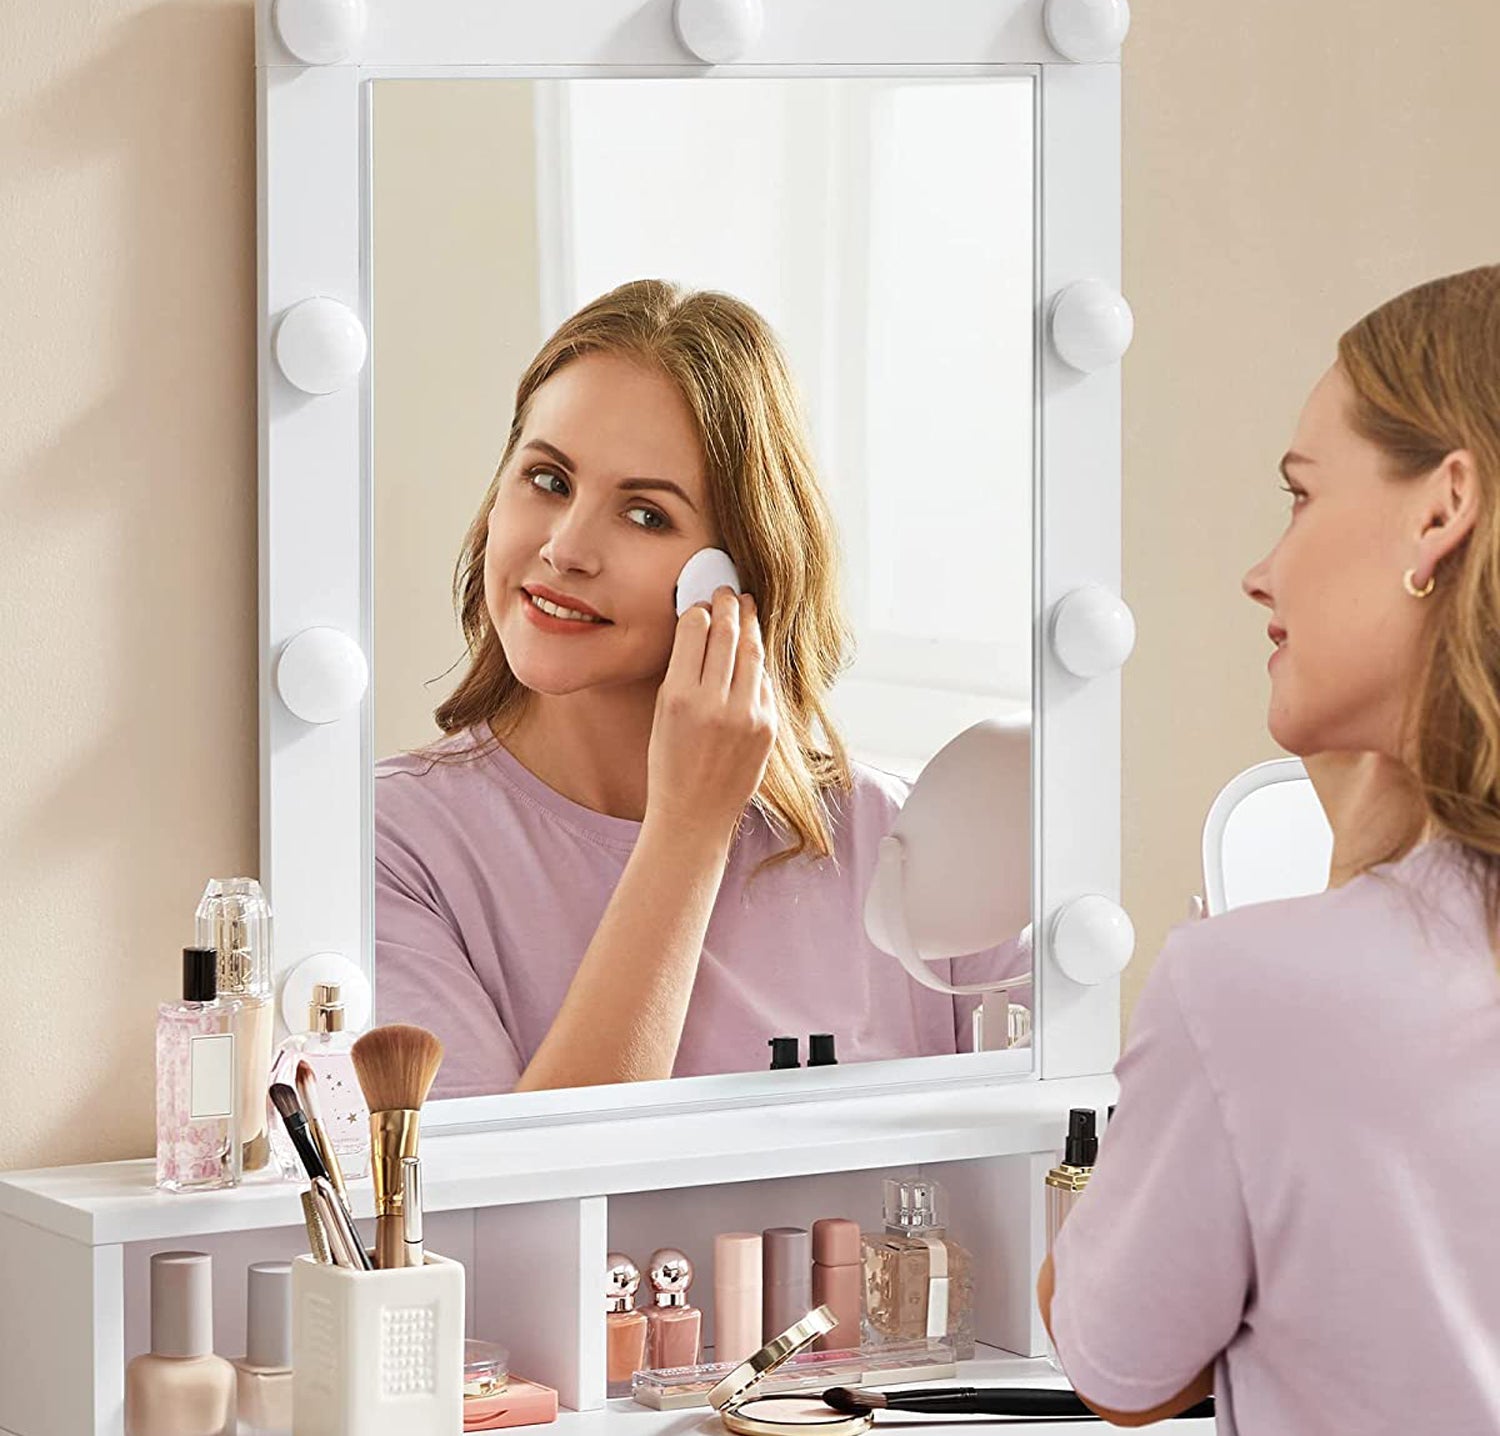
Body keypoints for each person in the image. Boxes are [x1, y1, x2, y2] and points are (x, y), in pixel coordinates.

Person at [1038, 264, 1500, 1432]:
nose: (1261, 571)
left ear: (1443, 509)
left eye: (1300, 496)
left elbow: (1122, 1369)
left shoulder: (1256, 989)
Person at [375, 279, 1027, 1097]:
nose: (567, 548)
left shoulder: (909, 846)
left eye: (646, 514)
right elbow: (509, 1211)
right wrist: (687, 832)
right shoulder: (389, 851)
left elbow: (1065, 1170)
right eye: (547, 480)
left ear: (734, 575)